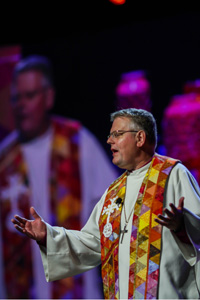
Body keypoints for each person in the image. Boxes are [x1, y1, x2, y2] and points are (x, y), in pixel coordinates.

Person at [11, 108, 200, 299]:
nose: (110, 140)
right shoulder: (114, 192)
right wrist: (48, 236)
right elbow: (92, 243)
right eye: (110, 135)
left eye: (117, 134)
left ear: (140, 138)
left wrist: (182, 225)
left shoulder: (173, 174)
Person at [0, 55, 118, 299]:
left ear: (49, 97)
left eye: (29, 95)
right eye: (16, 98)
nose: (21, 105)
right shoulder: (4, 159)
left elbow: (116, 204)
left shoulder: (78, 143)